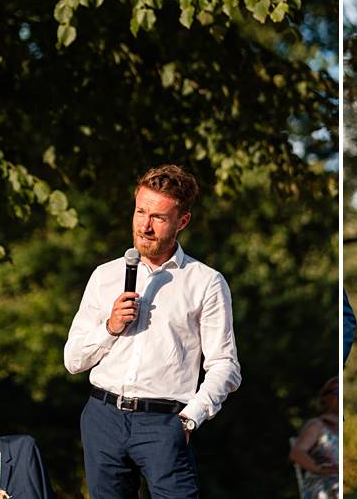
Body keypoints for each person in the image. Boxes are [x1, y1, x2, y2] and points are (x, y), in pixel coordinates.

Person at [63, 164, 241, 499]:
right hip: (102, 418)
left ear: (182, 221)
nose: (145, 225)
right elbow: (73, 360)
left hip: (165, 423)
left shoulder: (205, 282)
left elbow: (225, 366)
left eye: (158, 217)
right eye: (140, 211)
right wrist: (110, 327)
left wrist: (190, 419)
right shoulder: (105, 275)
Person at [289, 376, 340, 498]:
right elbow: (297, 453)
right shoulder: (318, 425)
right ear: (327, 398)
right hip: (325, 483)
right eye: (337, 391)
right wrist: (319, 469)